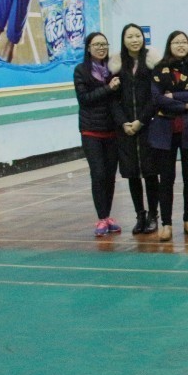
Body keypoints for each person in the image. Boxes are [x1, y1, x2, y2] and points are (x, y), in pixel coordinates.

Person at [149, 30, 188, 243]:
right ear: (169, 45)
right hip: (164, 131)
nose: (181, 45)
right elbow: (156, 99)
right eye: (176, 42)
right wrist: (186, 104)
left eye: (184, 41)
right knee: (166, 179)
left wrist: (173, 96)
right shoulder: (158, 70)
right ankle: (166, 223)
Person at [110, 23, 160, 235]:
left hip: (147, 126)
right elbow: (113, 100)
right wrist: (124, 123)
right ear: (124, 40)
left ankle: (153, 216)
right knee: (132, 174)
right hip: (125, 130)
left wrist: (141, 120)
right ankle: (139, 214)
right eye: (130, 36)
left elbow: (154, 97)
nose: (134, 40)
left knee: (150, 173)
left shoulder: (152, 64)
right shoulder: (117, 65)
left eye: (137, 36)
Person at [73, 32, 122, 236]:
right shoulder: (81, 71)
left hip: (112, 131)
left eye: (104, 44)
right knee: (98, 173)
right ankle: (101, 218)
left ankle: (108, 215)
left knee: (110, 175)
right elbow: (84, 99)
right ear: (88, 48)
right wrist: (108, 89)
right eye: (96, 44)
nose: (101, 48)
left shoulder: (113, 69)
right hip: (91, 131)